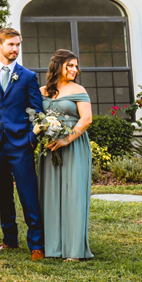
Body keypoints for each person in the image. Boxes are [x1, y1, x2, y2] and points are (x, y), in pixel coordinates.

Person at [0, 27, 44, 260]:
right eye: (11, 45)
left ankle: (36, 244)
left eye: (17, 45)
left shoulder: (28, 76)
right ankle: (9, 239)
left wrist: (31, 139)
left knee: (28, 194)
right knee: (3, 194)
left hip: (21, 144)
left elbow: (36, 111)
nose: (15, 49)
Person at [37, 49, 95, 261]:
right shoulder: (42, 91)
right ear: (57, 66)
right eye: (70, 65)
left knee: (73, 194)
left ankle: (73, 249)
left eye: (76, 66)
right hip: (49, 148)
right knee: (50, 194)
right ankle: (52, 246)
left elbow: (86, 119)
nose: (74, 70)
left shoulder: (78, 89)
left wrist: (66, 139)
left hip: (73, 147)